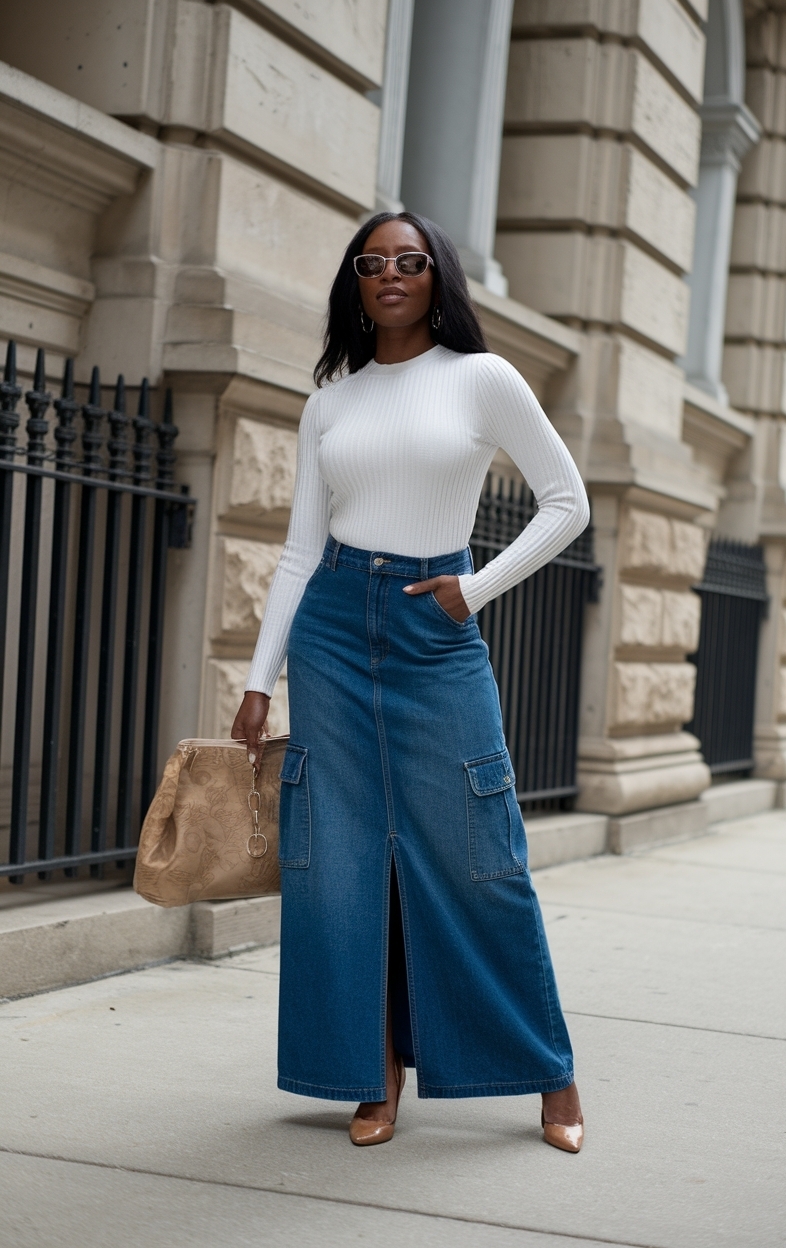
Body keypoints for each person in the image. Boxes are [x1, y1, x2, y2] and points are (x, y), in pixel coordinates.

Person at [232, 211, 589, 1152]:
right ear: (355, 281)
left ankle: (549, 1074)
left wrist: (472, 592)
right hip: (335, 630)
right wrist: (259, 679)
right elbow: (302, 550)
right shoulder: (331, 401)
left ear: (439, 277)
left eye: (410, 261)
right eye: (372, 261)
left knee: (482, 851)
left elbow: (568, 502)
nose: (390, 273)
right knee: (339, 866)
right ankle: (373, 1073)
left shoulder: (482, 379)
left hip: (437, 624)